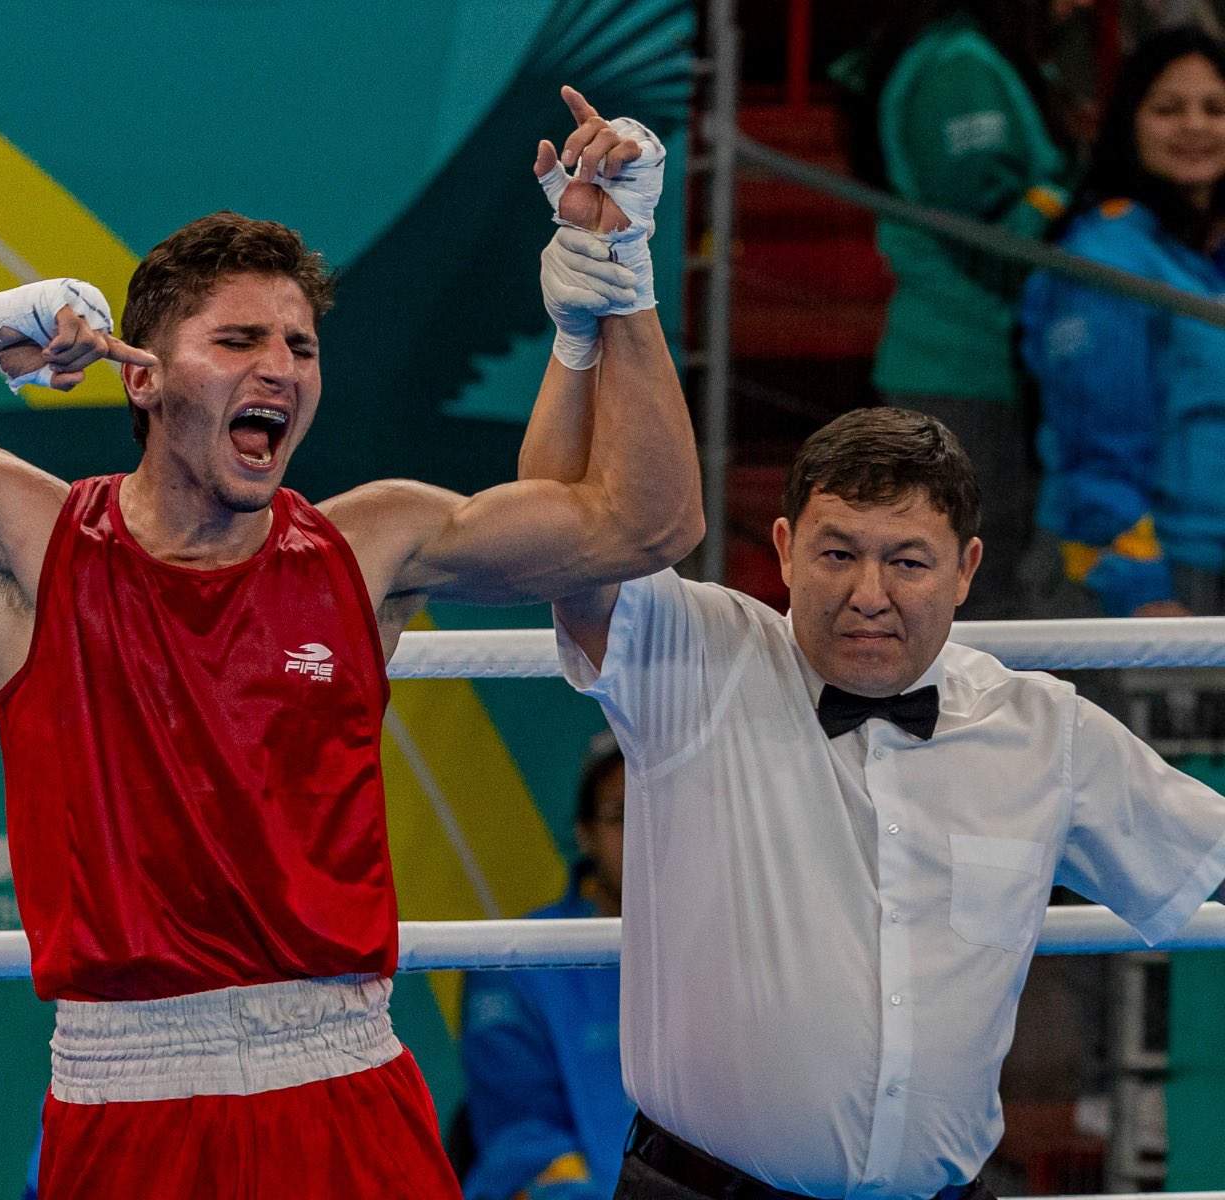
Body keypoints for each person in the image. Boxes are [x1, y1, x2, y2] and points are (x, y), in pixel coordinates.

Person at [0, 89, 695, 1199]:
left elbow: (645, 527)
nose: (282, 367)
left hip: (347, 1087)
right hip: (128, 1100)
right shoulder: (27, 535)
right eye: (239, 339)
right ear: (143, 374)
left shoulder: (370, 545)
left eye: (301, 345)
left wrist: (622, 284)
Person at [518, 403, 1225, 1199]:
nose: (868, 594)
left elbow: (1210, 855)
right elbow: (562, 538)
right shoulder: (698, 660)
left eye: (908, 562)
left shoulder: (1043, 732)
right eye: (838, 552)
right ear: (785, 550)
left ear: (966, 569)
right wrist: (584, 341)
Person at [837, 0, 1089, 619]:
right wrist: (1086, 184)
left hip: (979, 373)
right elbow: (993, 243)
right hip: (966, 376)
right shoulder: (958, 65)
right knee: (973, 605)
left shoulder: (968, 53)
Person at [1022, 27, 1225, 619]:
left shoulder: (1207, 252)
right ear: (1129, 124)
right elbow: (1094, 444)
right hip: (1149, 584)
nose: (1195, 126)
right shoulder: (1104, 258)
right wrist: (1141, 590)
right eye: (1168, 109)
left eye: (1215, 109)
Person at [458, 735, 633, 1200]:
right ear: (585, 831)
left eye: (661, 809)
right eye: (621, 815)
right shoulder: (517, 958)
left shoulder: (727, 945)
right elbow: (522, 1141)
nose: (645, 832)